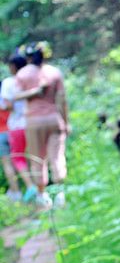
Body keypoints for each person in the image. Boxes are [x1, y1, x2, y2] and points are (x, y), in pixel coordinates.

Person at [15, 42, 69, 208]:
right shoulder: (54, 72)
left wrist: (33, 93)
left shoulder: (22, 74)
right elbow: (62, 100)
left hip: (33, 121)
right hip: (54, 119)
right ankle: (60, 193)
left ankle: (42, 195)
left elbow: (15, 96)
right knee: (57, 156)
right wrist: (66, 122)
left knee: (37, 159)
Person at [0, 54, 35, 201]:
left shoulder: (9, 84)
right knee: (29, 159)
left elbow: (7, 105)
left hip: (9, 130)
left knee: (11, 162)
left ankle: (17, 192)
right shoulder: (30, 81)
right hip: (29, 125)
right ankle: (36, 188)